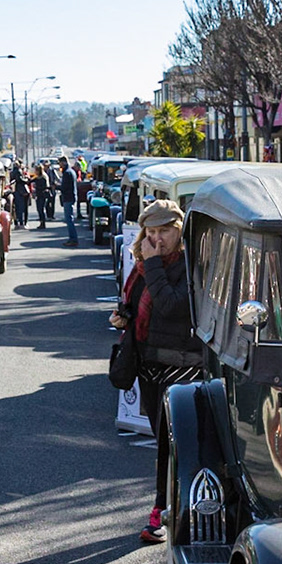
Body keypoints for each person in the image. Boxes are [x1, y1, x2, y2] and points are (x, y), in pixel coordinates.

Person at [110, 199, 197, 545]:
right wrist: (123, 317)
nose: (157, 238)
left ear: (179, 231)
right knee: (162, 441)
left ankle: (163, 509)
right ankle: (167, 505)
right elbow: (136, 303)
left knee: (171, 444)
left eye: (165, 231)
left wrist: (155, 261)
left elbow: (173, 306)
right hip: (147, 362)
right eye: (152, 231)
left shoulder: (189, 264)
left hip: (182, 365)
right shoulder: (144, 265)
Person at [59, 156, 80, 247]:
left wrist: (56, 186)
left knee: (69, 219)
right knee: (69, 219)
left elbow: (65, 187)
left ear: (63, 162)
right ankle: (72, 238)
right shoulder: (71, 171)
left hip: (68, 197)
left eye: (60, 163)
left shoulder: (67, 173)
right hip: (71, 197)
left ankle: (73, 239)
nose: (59, 165)